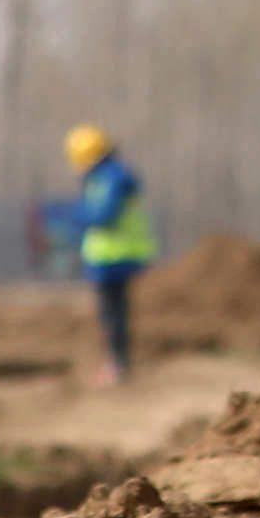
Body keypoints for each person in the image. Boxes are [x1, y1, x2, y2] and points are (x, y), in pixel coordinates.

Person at [61, 124, 154, 387]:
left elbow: (104, 215)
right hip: (111, 257)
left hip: (115, 257)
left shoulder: (111, 179)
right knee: (113, 313)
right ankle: (116, 363)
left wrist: (78, 215)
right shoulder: (110, 177)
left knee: (113, 313)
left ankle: (117, 365)